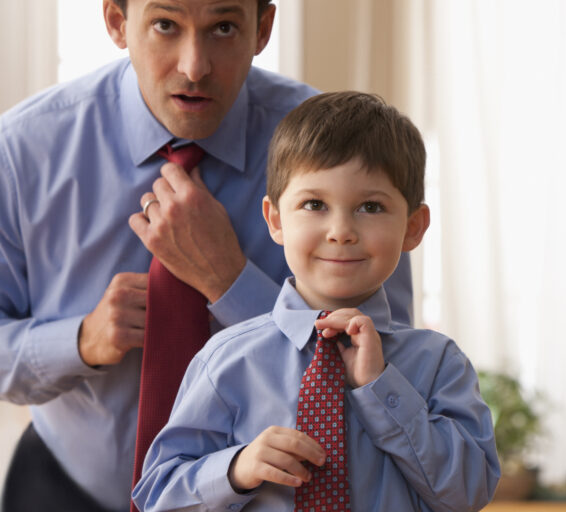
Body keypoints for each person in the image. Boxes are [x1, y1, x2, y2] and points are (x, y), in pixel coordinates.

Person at [0, 2, 413, 511]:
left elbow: (390, 371)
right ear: (116, 23)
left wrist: (231, 282)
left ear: (261, 29)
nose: (195, 66)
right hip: (64, 489)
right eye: (165, 25)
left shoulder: (342, 148)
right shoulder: (21, 150)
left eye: (223, 27)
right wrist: (82, 340)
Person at [132, 91, 500, 512]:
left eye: (370, 206)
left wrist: (382, 389)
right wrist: (235, 469)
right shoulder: (225, 361)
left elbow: (468, 493)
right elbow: (157, 496)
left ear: (413, 228)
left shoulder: (439, 364)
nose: (340, 230)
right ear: (275, 220)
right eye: (314, 204)